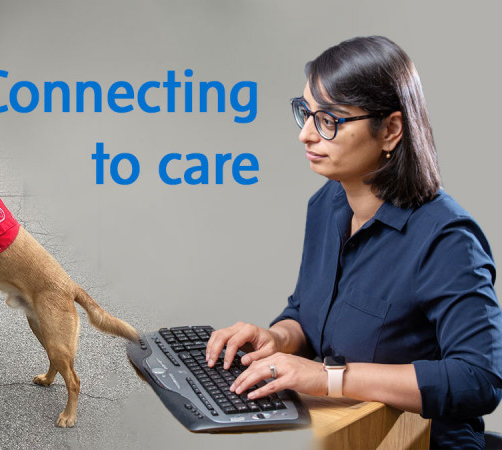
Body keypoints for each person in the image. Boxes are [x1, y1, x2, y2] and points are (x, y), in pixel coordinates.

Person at [206, 36, 502, 448]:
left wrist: (329, 378)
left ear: (391, 130)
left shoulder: (447, 239)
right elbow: (310, 313)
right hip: (347, 435)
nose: (306, 135)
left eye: (328, 120)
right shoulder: (327, 204)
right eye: (306, 113)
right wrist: (278, 338)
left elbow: (479, 379)